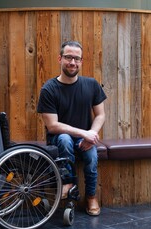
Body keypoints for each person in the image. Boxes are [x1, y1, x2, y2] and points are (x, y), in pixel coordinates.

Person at [37, 40, 107, 216]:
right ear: (60, 59)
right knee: (64, 139)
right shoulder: (49, 89)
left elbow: (100, 115)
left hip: (85, 138)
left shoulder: (91, 85)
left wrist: (91, 135)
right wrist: (85, 133)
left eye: (76, 58)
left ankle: (91, 196)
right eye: (68, 57)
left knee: (91, 158)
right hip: (58, 139)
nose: (72, 62)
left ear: (81, 61)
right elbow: (52, 126)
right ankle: (68, 183)